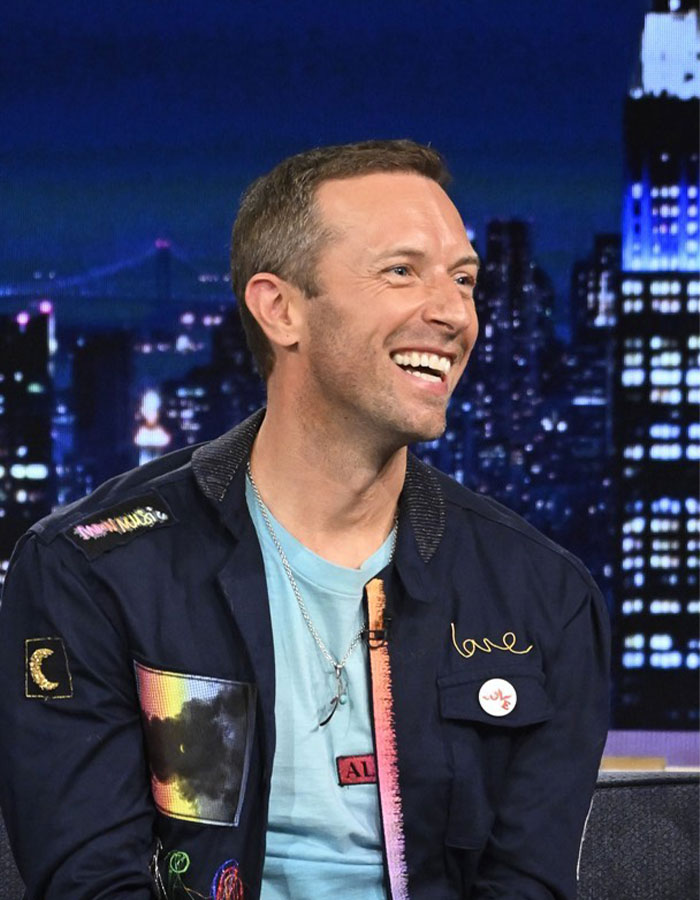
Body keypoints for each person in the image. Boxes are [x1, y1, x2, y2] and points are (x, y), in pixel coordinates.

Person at [0, 140, 610, 900]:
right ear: (280, 308)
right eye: (401, 271)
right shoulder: (90, 570)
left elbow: (529, 883)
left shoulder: (544, 596)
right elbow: (90, 882)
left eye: (464, 280)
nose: (454, 312)